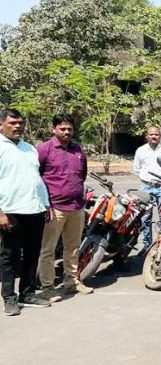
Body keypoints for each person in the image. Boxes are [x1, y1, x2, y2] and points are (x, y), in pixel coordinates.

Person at [0, 109, 52, 315]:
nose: (18, 126)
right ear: (1, 124)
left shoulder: (29, 148)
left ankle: (27, 293)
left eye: (20, 123)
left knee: (32, 255)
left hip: (35, 209)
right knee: (9, 256)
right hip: (10, 211)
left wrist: (45, 204)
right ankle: (9, 298)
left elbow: (37, 180)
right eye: (13, 122)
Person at [37, 114, 93, 303]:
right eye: (62, 128)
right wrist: (45, 204)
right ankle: (47, 287)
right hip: (54, 208)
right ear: (54, 129)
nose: (67, 132)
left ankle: (71, 281)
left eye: (69, 128)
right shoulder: (44, 149)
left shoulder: (78, 149)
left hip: (76, 207)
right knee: (49, 249)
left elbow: (82, 175)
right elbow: (37, 177)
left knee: (73, 247)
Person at [133, 126, 161, 252]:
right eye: (151, 134)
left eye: (156, 134)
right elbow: (137, 169)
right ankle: (147, 245)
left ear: (160, 136)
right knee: (145, 218)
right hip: (146, 187)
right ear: (147, 136)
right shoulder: (140, 150)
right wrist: (147, 180)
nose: (154, 136)